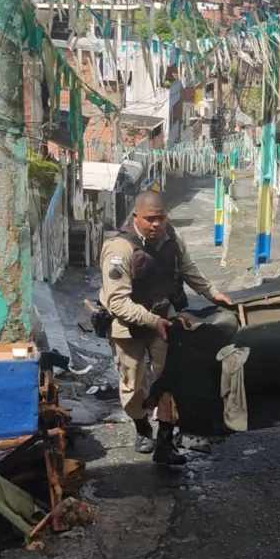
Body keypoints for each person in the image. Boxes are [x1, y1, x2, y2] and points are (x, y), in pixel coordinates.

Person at [100, 190, 232, 465]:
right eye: (150, 219)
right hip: (129, 325)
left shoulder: (172, 238)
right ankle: (142, 428)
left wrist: (211, 292)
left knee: (170, 379)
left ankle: (165, 440)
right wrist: (151, 320)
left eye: (161, 218)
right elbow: (117, 301)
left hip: (164, 318)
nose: (156, 224)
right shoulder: (119, 248)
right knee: (133, 384)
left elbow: (187, 268)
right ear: (136, 216)